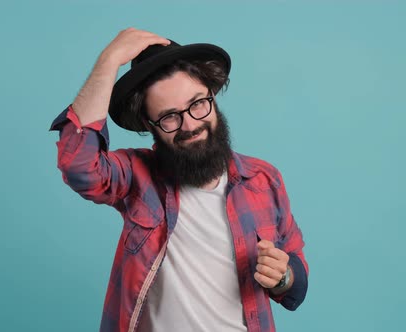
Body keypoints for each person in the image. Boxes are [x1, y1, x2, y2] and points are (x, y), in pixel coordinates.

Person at [49, 28, 309, 332]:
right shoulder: (136, 176)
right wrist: (108, 61)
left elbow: (296, 285)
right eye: (170, 117)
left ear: (212, 96)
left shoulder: (264, 179)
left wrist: (283, 276)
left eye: (198, 103)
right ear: (150, 124)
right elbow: (79, 165)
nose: (190, 124)